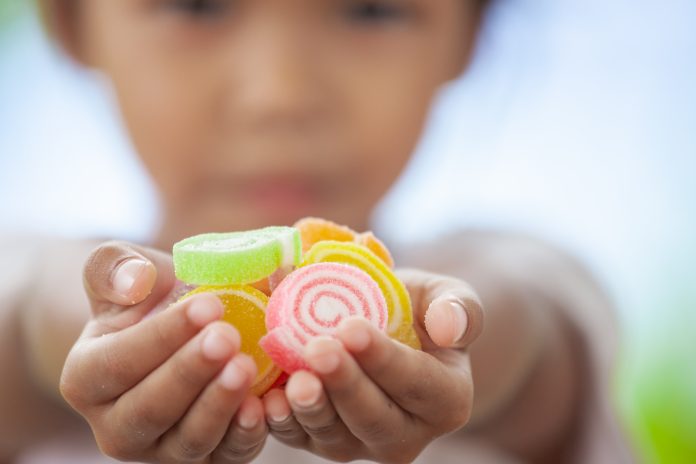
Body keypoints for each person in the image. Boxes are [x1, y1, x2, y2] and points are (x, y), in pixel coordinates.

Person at [0, 0, 633, 462]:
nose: (282, 94)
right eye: (196, 6)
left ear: (468, 32)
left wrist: (430, 337)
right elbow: (27, 315)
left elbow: (528, 339)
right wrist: (101, 326)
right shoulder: (29, 273)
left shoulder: (512, 273)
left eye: (370, 12)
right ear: (70, 22)